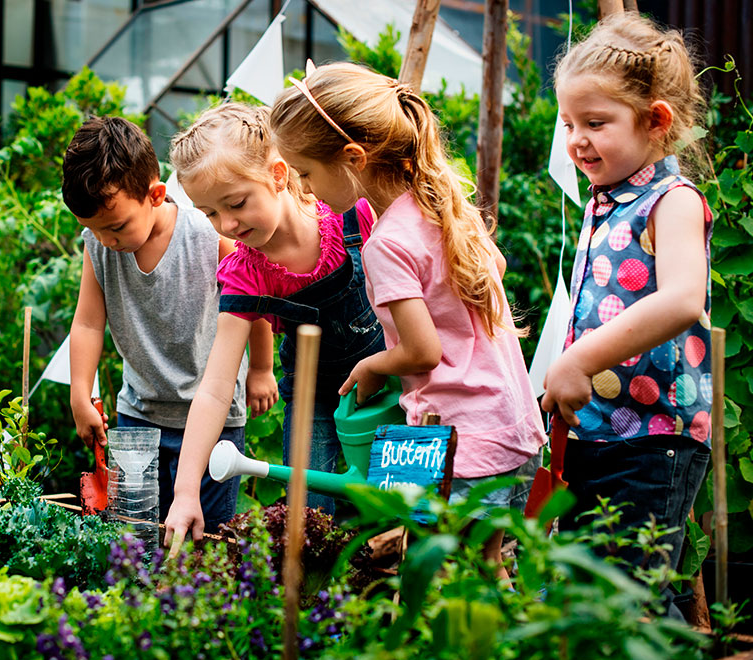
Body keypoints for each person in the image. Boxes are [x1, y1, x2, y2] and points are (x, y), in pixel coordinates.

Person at [270, 63, 545, 578]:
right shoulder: (440, 204)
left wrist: (375, 364)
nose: (305, 189)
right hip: (513, 425)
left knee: (446, 577)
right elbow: (496, 267)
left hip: (460, 442)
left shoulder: (387, 243)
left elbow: (421, 352)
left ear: (353, 158)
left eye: (305, 172)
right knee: (491, 568)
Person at [163, 102, 385, 543]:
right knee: (307, 519)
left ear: (279, 174)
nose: (226, 224)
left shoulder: (353, 216)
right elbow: (214, 388)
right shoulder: (247, 273)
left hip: (389, 385)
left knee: (395, 506)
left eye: (236, 203)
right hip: (314, 396)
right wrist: (185, 491)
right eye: (209, 213)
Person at [538, 13, 712, 575]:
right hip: (600, 431)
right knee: (596, 593)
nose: (576, 141)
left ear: (655, 121)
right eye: (567, 124)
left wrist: (578, 360)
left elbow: (684, 298)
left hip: (651, 439)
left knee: (625, 597)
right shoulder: (605, 200)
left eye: (594, 122)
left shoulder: (672, 200)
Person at [64, 117, 275, 533]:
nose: (107, 239)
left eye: (117, 226)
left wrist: (262, 369)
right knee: (135, 535)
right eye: (93, 229)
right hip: (139, 416)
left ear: (155, 195)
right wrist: (79, 393)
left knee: (208, 538)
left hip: (215, 419)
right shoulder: (100, 246)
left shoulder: (208, 237)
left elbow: (254, 302)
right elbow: (88, 323)